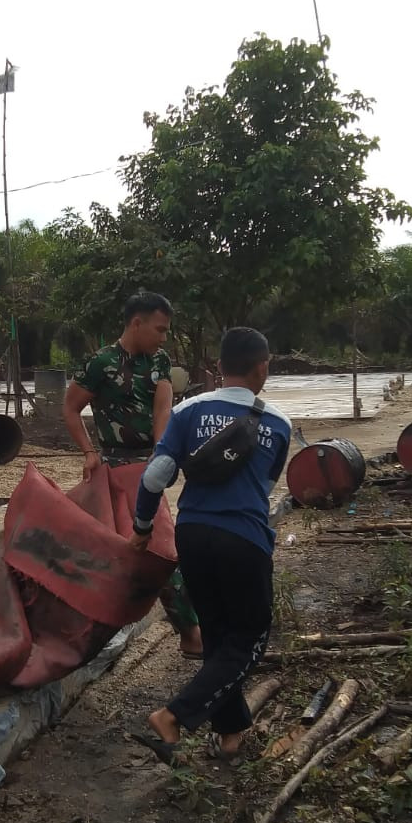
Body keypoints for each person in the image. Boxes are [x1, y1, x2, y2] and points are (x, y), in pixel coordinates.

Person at [129, 327, 292, 763]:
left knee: (220, 637)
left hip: (194, 536)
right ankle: (172, 716)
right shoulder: (277, 423)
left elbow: (154, 476)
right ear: (263, 367)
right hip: (244, 539)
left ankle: (231, 734)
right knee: (251, 639)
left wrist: (142, 526)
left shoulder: (186, 412)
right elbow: (266, 484)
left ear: (218, 367)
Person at [63, 291, 204, 659]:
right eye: (159, 329)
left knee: (159, 549)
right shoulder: (101, 363)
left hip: (149, 466)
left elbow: (163, 407)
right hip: (113, 467)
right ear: (136, 323)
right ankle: (189, 632)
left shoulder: (159, 359)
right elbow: (70, 407)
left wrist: (163, 453)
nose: (164, 337)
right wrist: (89, 452)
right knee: (133, 552)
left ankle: (190, 631)